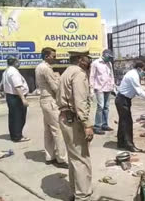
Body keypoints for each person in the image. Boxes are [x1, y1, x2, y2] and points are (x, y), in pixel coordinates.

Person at [57, 50, 94, 201]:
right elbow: (80, 101)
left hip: (66, 118)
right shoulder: (78, 73)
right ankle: (83, 196)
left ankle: (76, 191)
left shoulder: (67, 71)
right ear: (80, 59)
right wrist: (87, 124)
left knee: (74, 158)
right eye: (87, 58)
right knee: (81, 158)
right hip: (74, 120)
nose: (89, 60)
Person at [115, 60, 145, 152]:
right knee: (127, 122)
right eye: (144, 70)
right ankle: (129, 145)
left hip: (123, 99)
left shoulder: (134, 74)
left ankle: (121, 143)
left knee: (123, 122)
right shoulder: (134, 75)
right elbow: (139, 92)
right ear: (139, 68)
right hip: (122, 100)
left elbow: (138, 89)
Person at [35, 47, 68, 168]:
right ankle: (61, 159)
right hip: (50, 100)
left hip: (45, 100)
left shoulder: (40, 67)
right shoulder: (45, 68)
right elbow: (55, 87)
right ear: (46, 56)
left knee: (48, 130)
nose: (55, 58)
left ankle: (49, 156)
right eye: (53, 56)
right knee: (57, 130)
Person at [1, 57, 30, 142]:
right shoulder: (14, 72)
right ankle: (18, 136)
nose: (19, 63)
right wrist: (23, 99)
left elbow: (2, 84)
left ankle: (14, 135)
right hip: (16, 97)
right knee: (19, 117)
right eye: (18, 62)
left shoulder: (6, 71)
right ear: (15, 63)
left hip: (10, 96)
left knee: (13, 117)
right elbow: (17, 86)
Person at [90, 49, 115, 135]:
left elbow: (111, 75)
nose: (110, 59)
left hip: (108, 88)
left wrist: (113, 87)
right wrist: (91, 89)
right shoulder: (95, 63)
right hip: (99, 88)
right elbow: (92, 76)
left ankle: (105, 124)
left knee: (106, 107)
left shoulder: (109, 64)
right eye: (109, 57)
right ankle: (97, 126)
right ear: (104, 55)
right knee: (100, 106)